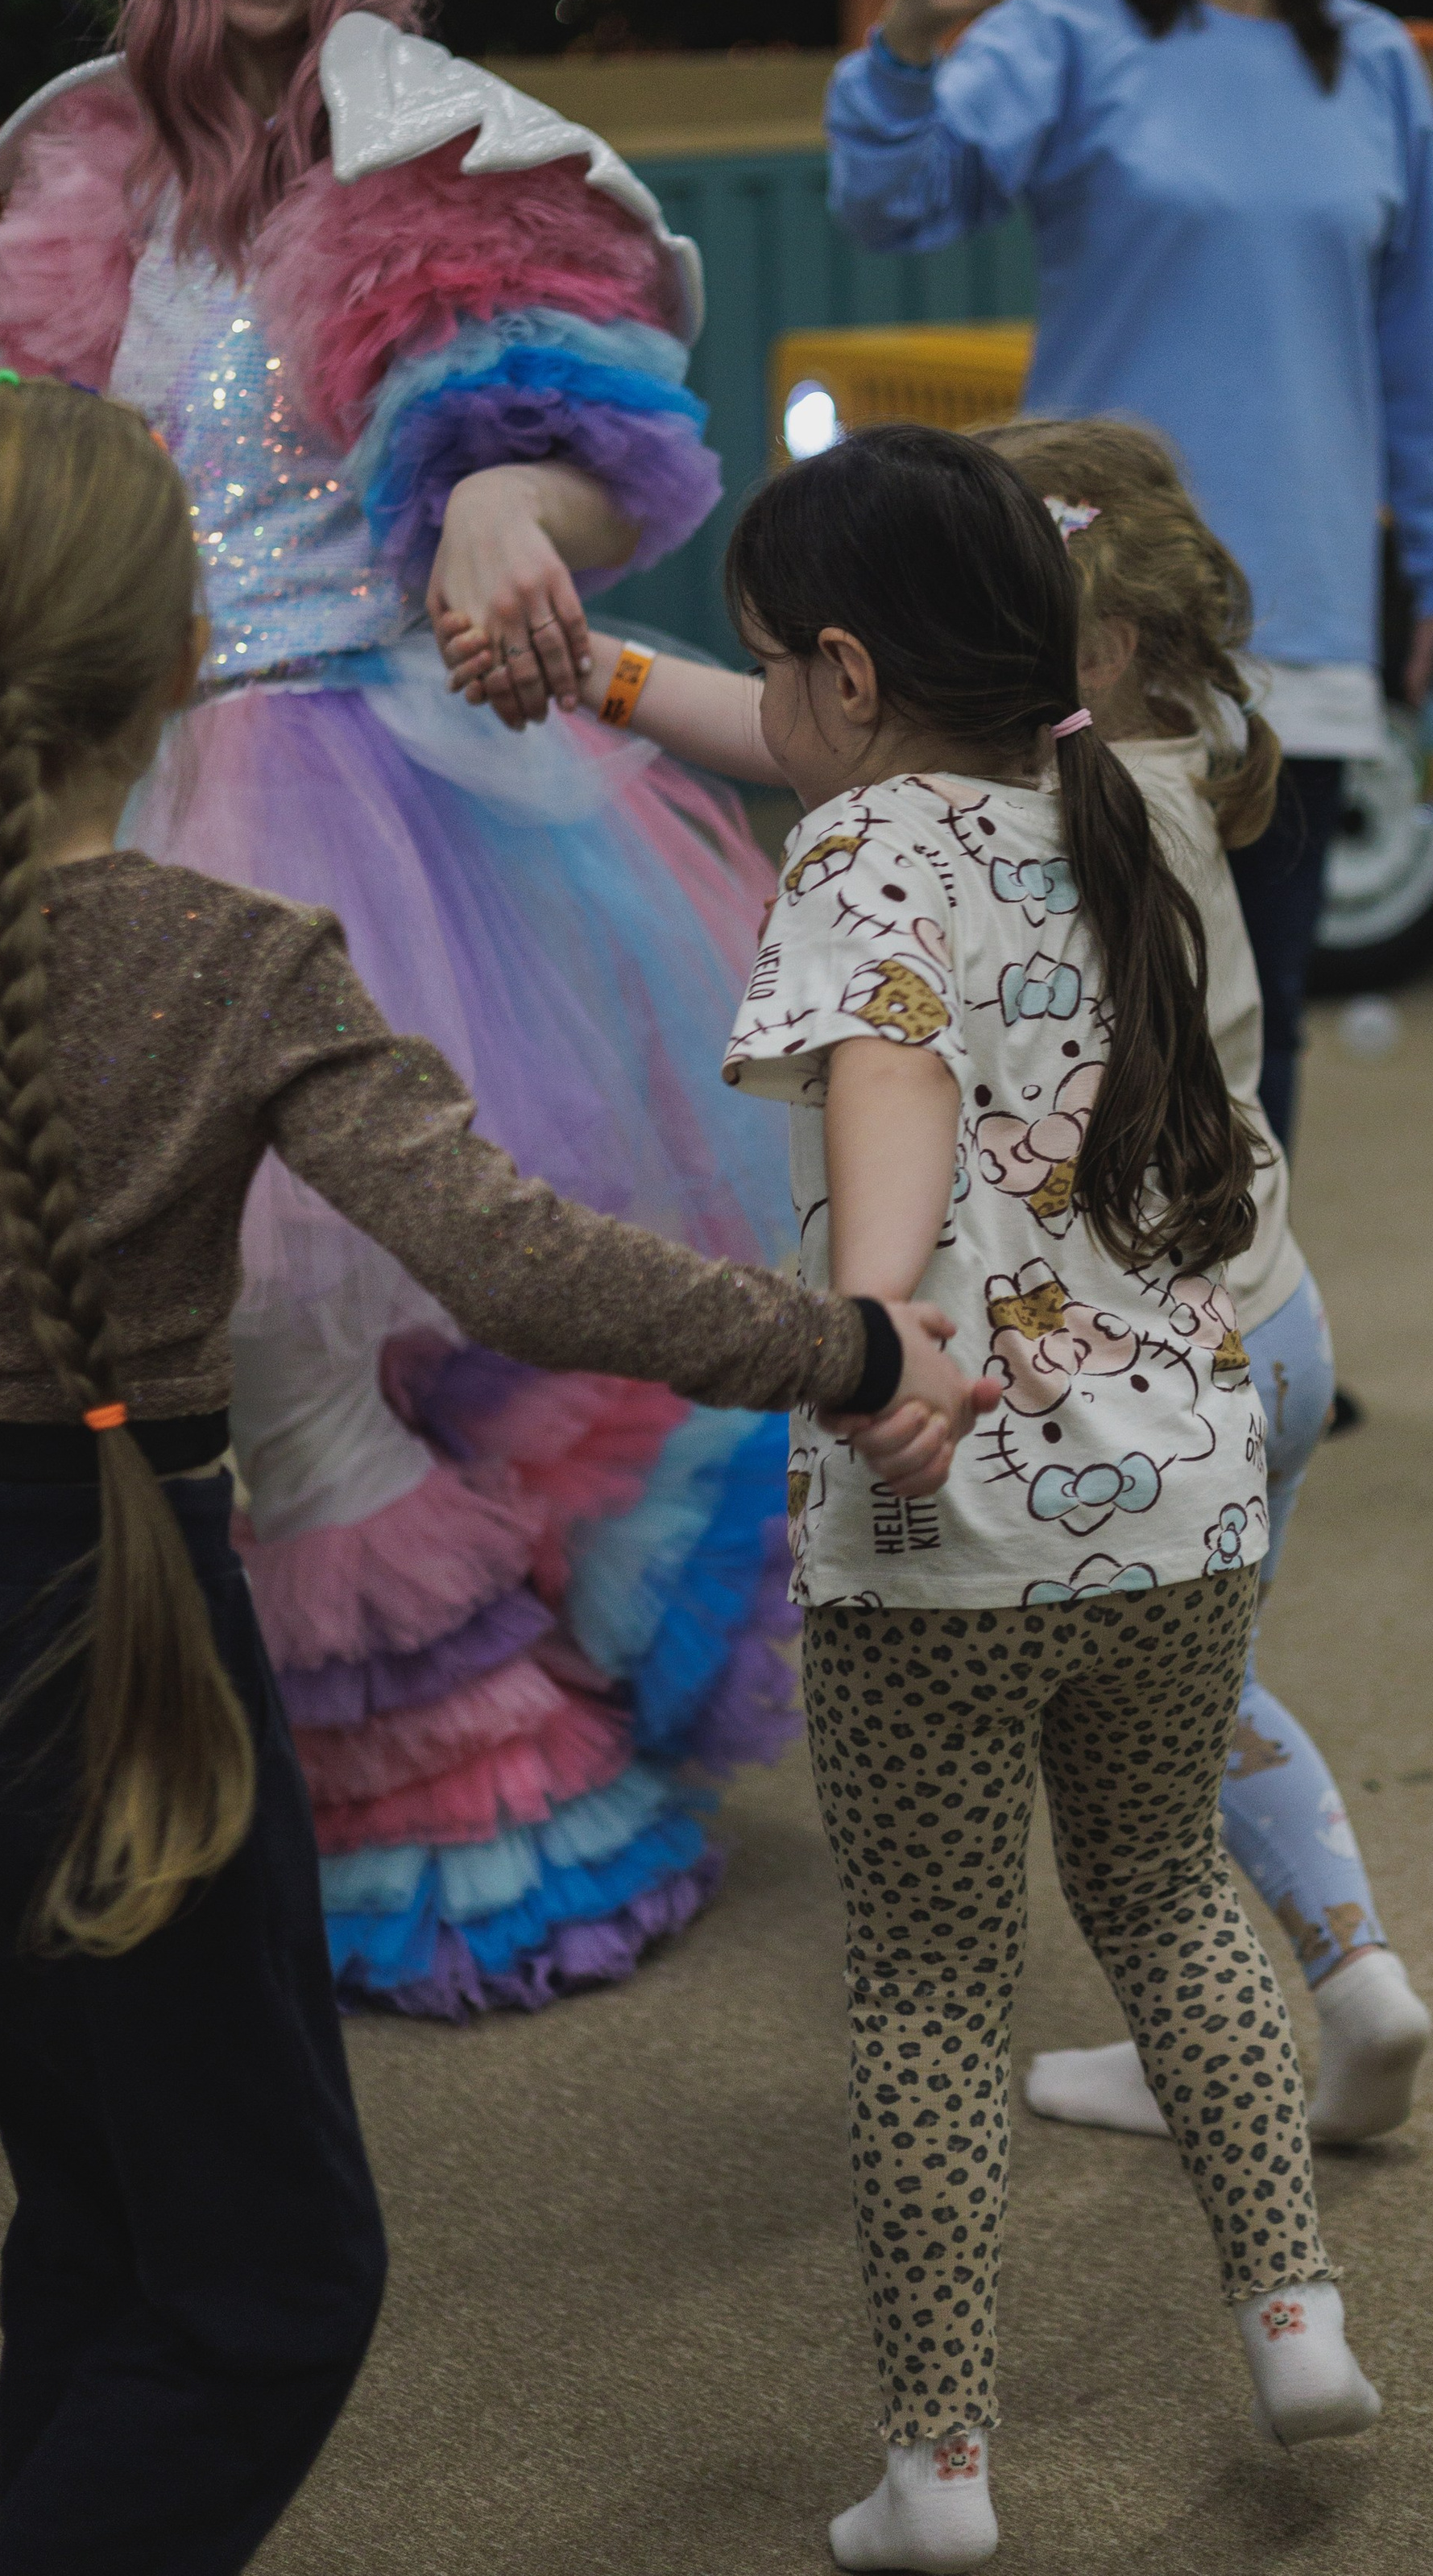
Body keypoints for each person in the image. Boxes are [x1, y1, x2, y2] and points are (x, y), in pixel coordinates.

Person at [0, 379, 989, 2576]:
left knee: (94, 2200)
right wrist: (839, 1340)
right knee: (272, 2289)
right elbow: (521, 1265)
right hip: (103, 1639)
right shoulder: (238, 969)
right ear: (181, 658)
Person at [0, 0, 818, 2015]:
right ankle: (349, 1764)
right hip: (130, 805)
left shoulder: (432, 145)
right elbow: (39, 491)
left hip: (375, 804)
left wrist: (505, 540)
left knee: (343, 1329)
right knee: (240, 1342)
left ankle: (483, 1815)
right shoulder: (82, 164)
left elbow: (541, 431)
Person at [450, 423, 1380, 2570]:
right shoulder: (1127, 805)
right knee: (1164, 1900)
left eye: (776, 671)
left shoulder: (868, 851)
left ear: (852, 683)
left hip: (949, 1530)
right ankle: (1296, 2313)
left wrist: (873, 1322)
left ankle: (940, 2471)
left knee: (934, 1999)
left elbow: (885, 1069)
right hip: (1181, 1503)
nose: (767, 709)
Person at [822, 0, 1433, 1160]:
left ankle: (1255, 1357)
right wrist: (903, 51)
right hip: (1091, 602)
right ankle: (1092, 1378)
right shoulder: (1062, 37)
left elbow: (1427, 354)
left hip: (1298, 620)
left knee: (1259, 1012)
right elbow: (891, 201)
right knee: (1082, 1014)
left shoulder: (1375, 62)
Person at [971, 416, 1433, 2148]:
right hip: (1280, 1327)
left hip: (1159, 1369)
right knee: (1207, 1681)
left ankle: (1272, 2013)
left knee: (1138, 1726)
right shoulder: (1192, 754)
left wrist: (626, 683)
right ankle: (1350, 1981)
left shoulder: (1036, 806)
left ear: (1101, 646)